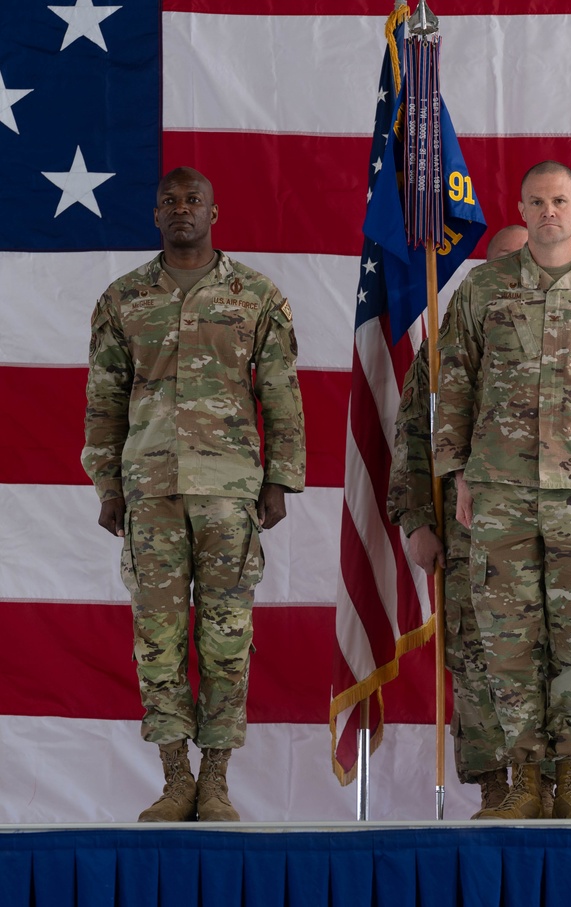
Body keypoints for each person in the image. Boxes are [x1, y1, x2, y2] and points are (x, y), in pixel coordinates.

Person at [82, 167, 306, 822]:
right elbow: (103, 403)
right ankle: (175, 776)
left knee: (227, 635)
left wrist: (281, 477)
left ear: (215, 211)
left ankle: (216, 780)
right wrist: (106, 482)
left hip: (229, 492)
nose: (182, 210)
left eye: (194, 201)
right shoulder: (122, 300)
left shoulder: (255, 296)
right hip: (149, 490)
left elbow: (281, 396)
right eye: (170, 202)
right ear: (156, 216)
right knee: (156, 634)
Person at [434, 161, 571, 819]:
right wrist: (457, 476)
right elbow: (454, 387)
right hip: (499, 490)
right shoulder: (484, 289)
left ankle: (570, 784)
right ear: (522, 208)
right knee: (509, 642)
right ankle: (525, 779)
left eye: (560, 200)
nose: (549, 211)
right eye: (537, 201)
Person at [389, 224, 564, 819]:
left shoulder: (570, 336)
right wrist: (416, 519)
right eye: (509, 262)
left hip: (558, 531)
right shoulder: (445, 346)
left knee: (558, 653)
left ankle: (551, 784)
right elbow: (412, 434)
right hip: (470, 533)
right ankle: (498, 790)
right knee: (481, 659)